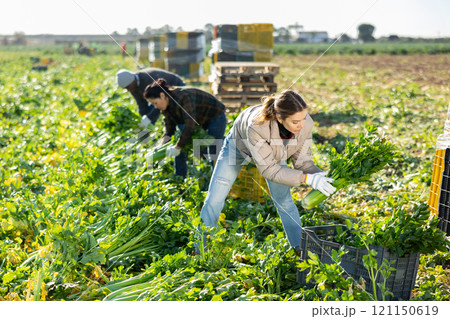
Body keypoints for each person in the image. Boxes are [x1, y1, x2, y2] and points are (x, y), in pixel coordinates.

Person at [197, 90, 336, 253]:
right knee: (215, 197)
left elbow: (302, 161)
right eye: (296, 121)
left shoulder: (304, 125)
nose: (301, 125)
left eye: (304, 118)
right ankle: (202, 249)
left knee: (284, 200)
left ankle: (299, 248)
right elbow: (269, 170)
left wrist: (318, 175)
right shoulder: (256, 126)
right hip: (238, 147)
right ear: (279, 117)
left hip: (274, 154)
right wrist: (307, 179)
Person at [143, 79, 227, 178]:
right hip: (199, 118)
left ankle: (218, 179)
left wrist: (178, 147)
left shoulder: (183, 96)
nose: (155, 107)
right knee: (182, 148)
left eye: (155, 103)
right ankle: (180, 180)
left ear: (162, 95)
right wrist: (162, 144)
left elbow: (190, 124)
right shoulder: (165, 108)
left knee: (214, 148)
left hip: (215, 115)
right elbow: (169, 130)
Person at [116, 68, 186, 129]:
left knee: (178, 115)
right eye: (126, 88)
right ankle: (146, 137)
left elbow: (160, 102)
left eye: (128, 87)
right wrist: (143, 118)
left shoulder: (148, 79)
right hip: (160, 95)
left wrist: (149, 118)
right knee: (151, 116)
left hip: (176, 87)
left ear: (133, 80)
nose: (128, 90)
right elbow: (141, 104)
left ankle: (185, 133)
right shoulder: (133, 87)